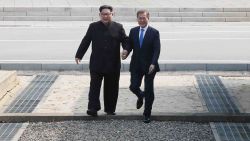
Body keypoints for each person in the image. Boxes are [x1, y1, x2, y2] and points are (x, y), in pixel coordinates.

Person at [75, 5, 129, 116]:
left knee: (112, 88)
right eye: (103, 14)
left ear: (112, 14)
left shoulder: (118, 27)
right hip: (97, 63)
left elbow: (125, 40)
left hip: (113, 63)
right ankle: (93, 108)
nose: (105, 16)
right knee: (94, 87)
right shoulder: (93, 26)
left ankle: (110, 109)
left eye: (108, 14)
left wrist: (126, 50)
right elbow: (86, 41)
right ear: (99, 15)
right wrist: (79, 55)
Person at [122, 9, 161, 123]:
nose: (142, 20)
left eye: (144, 17)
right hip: (136, 65)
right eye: (140, 18)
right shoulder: (133, 31)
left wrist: (153, 63)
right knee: (133, 86)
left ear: (148, 18)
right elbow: (129, 45)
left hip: (150, 66)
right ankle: (140, 96)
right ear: (137, 19)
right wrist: (126, 51)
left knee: (149, 90)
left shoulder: (154, 32)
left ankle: (147, 114)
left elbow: (156, 50)